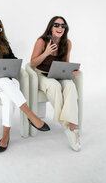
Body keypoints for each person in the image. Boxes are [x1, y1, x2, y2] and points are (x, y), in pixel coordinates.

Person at [0, 16, 50, 152]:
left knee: (8, 97)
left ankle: (5, 137)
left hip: (2, 80)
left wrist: (13, 67)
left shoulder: (4, 43)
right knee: (7, 84)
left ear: (1, 30)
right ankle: (30, 115)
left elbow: (13, 59)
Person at [30, 16, 81, 151]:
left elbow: (66, 63)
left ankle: (72, 126)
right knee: (54, 86)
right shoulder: (41, 41)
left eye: (63, 26)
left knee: (70, 86)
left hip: (58, 74)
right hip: (41, 74)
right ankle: (69, 127)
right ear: (51, 27)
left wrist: (72, 71)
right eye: (56, 25)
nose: (60, 28)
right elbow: (33, 63)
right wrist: (46, 52)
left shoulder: (67, 43)